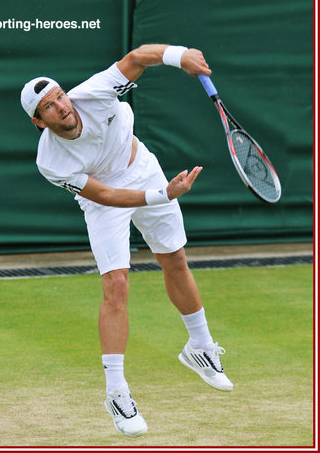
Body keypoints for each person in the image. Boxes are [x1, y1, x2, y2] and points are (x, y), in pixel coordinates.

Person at [21, 44, 233, 438]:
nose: (62, 107)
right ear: (39, 121)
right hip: (105, 200)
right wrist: (162, 196)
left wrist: (180, 55)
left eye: (60, 97)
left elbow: (137, 57)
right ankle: (117, 393)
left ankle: (200, 347)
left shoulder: (95, 92)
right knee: (115, 286)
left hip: (142, 168)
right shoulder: (50, 160)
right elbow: (104, 196)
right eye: (49, 107)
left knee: (175, 260)